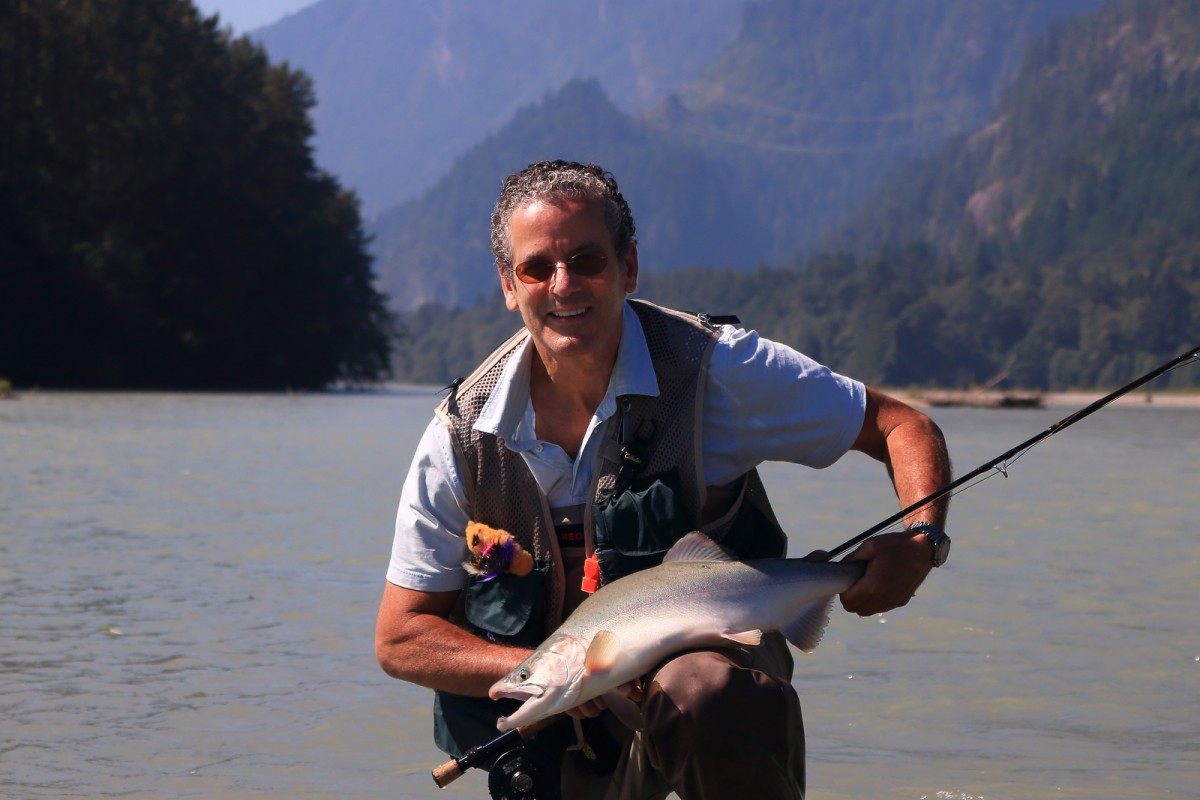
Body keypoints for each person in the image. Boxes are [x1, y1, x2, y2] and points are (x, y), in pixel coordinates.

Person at [376, 160, 951, 799]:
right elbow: (401, 637)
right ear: (510, 286)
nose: (563, 286)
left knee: (700, 688)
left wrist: (923, 539)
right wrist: (538, 674)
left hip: (706, 703)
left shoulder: (720, 369)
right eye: (538, 268)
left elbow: (902, 426)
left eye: (587, 261)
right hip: (555, 751)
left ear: (629, 267)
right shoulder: (460, 437)